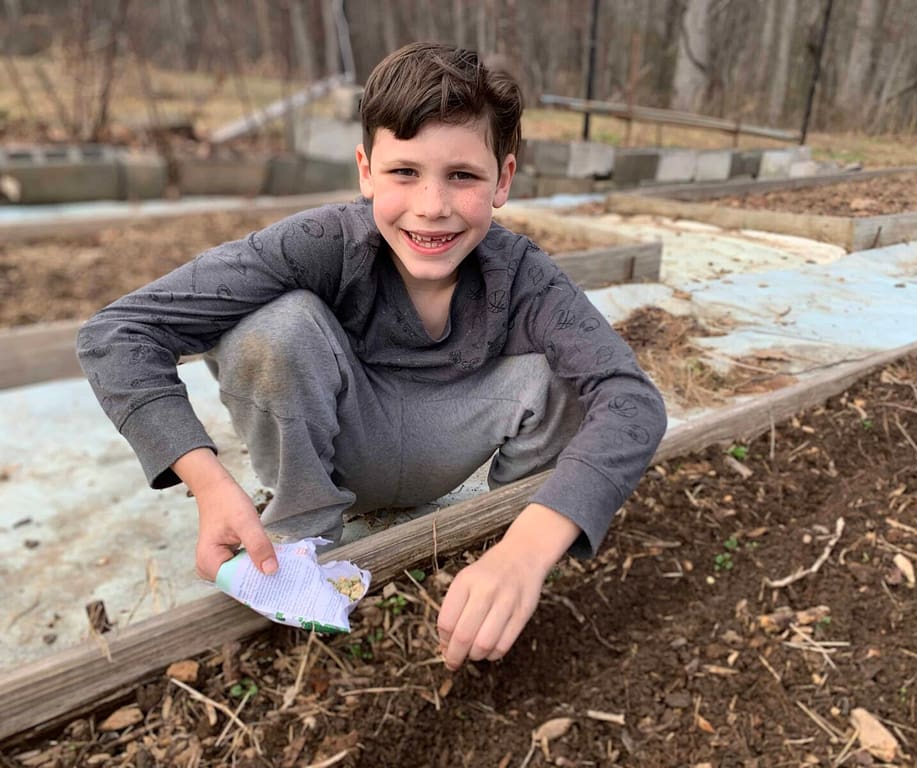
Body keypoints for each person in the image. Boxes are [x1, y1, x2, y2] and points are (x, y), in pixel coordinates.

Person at [77, 42, 667, 671]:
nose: (432, 206)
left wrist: (526, 549)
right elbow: (118, 331)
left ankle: (496, 551)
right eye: (404, 171)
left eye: (463, 176)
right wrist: (208, 482)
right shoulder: (318, 242)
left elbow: (632, 399)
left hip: (450, 448)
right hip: (337, 448)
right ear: (366, 171)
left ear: (503, 179)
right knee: (273, 327)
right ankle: (297, 543)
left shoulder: (524, 277)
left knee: (565, 376)